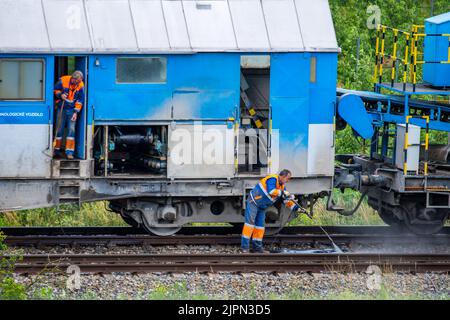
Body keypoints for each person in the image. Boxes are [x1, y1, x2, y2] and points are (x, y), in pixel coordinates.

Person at [241, 169, 301, 253]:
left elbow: (286, 200)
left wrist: (296, 208)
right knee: (249, 224)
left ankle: (257, 248)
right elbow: (271, 191)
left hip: (262, 206)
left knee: (260, 227)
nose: (288, 181)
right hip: (253, 202)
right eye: (288, 178)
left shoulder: (282, 187)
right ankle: (245, 248)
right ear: (282, 176)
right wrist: (283, 193)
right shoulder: (273, 179)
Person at [53, 71, 85, 159]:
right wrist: (61, 95)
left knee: (71, 130)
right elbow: (54, 90)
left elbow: (80, 100)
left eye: (79, 81)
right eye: (76, 81)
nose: (77, 83)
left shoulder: (81, 85)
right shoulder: (63, 80)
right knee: (59, 129)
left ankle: (69, 152)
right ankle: (56, 150)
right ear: (73, 78)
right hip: (61, 108)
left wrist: (75, 112)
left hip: (72, 110)